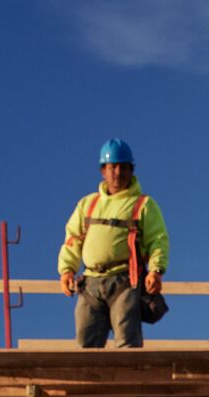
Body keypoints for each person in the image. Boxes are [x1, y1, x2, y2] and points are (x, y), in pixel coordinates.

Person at [58, 138, 169, 350]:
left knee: (127, 345)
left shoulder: (143, 205)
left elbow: (158, 240)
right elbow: (73, 239)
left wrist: (156, 270)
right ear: (103, 171)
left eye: (123, 167)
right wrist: (66, 270)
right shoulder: (88, 204)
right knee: (85, 345)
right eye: (112, 167)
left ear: (131, 170)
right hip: (90, 283)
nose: (117, 172)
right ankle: (89, 384)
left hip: (125, 282)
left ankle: (129, 383)